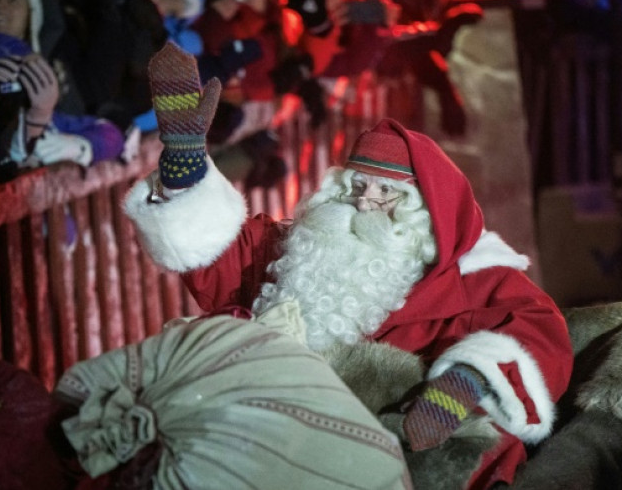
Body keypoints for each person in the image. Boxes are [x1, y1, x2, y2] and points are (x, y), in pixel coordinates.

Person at [122, 42, 573, 489]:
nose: (364, 204)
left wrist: (468, 379)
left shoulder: (472, 280)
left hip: (385, 444)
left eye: (385, 194)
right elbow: (218, 252)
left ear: (424, 212)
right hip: (263, 417)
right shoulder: (301, 246)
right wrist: (185, 170)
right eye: (356, 188)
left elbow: (538, 332)